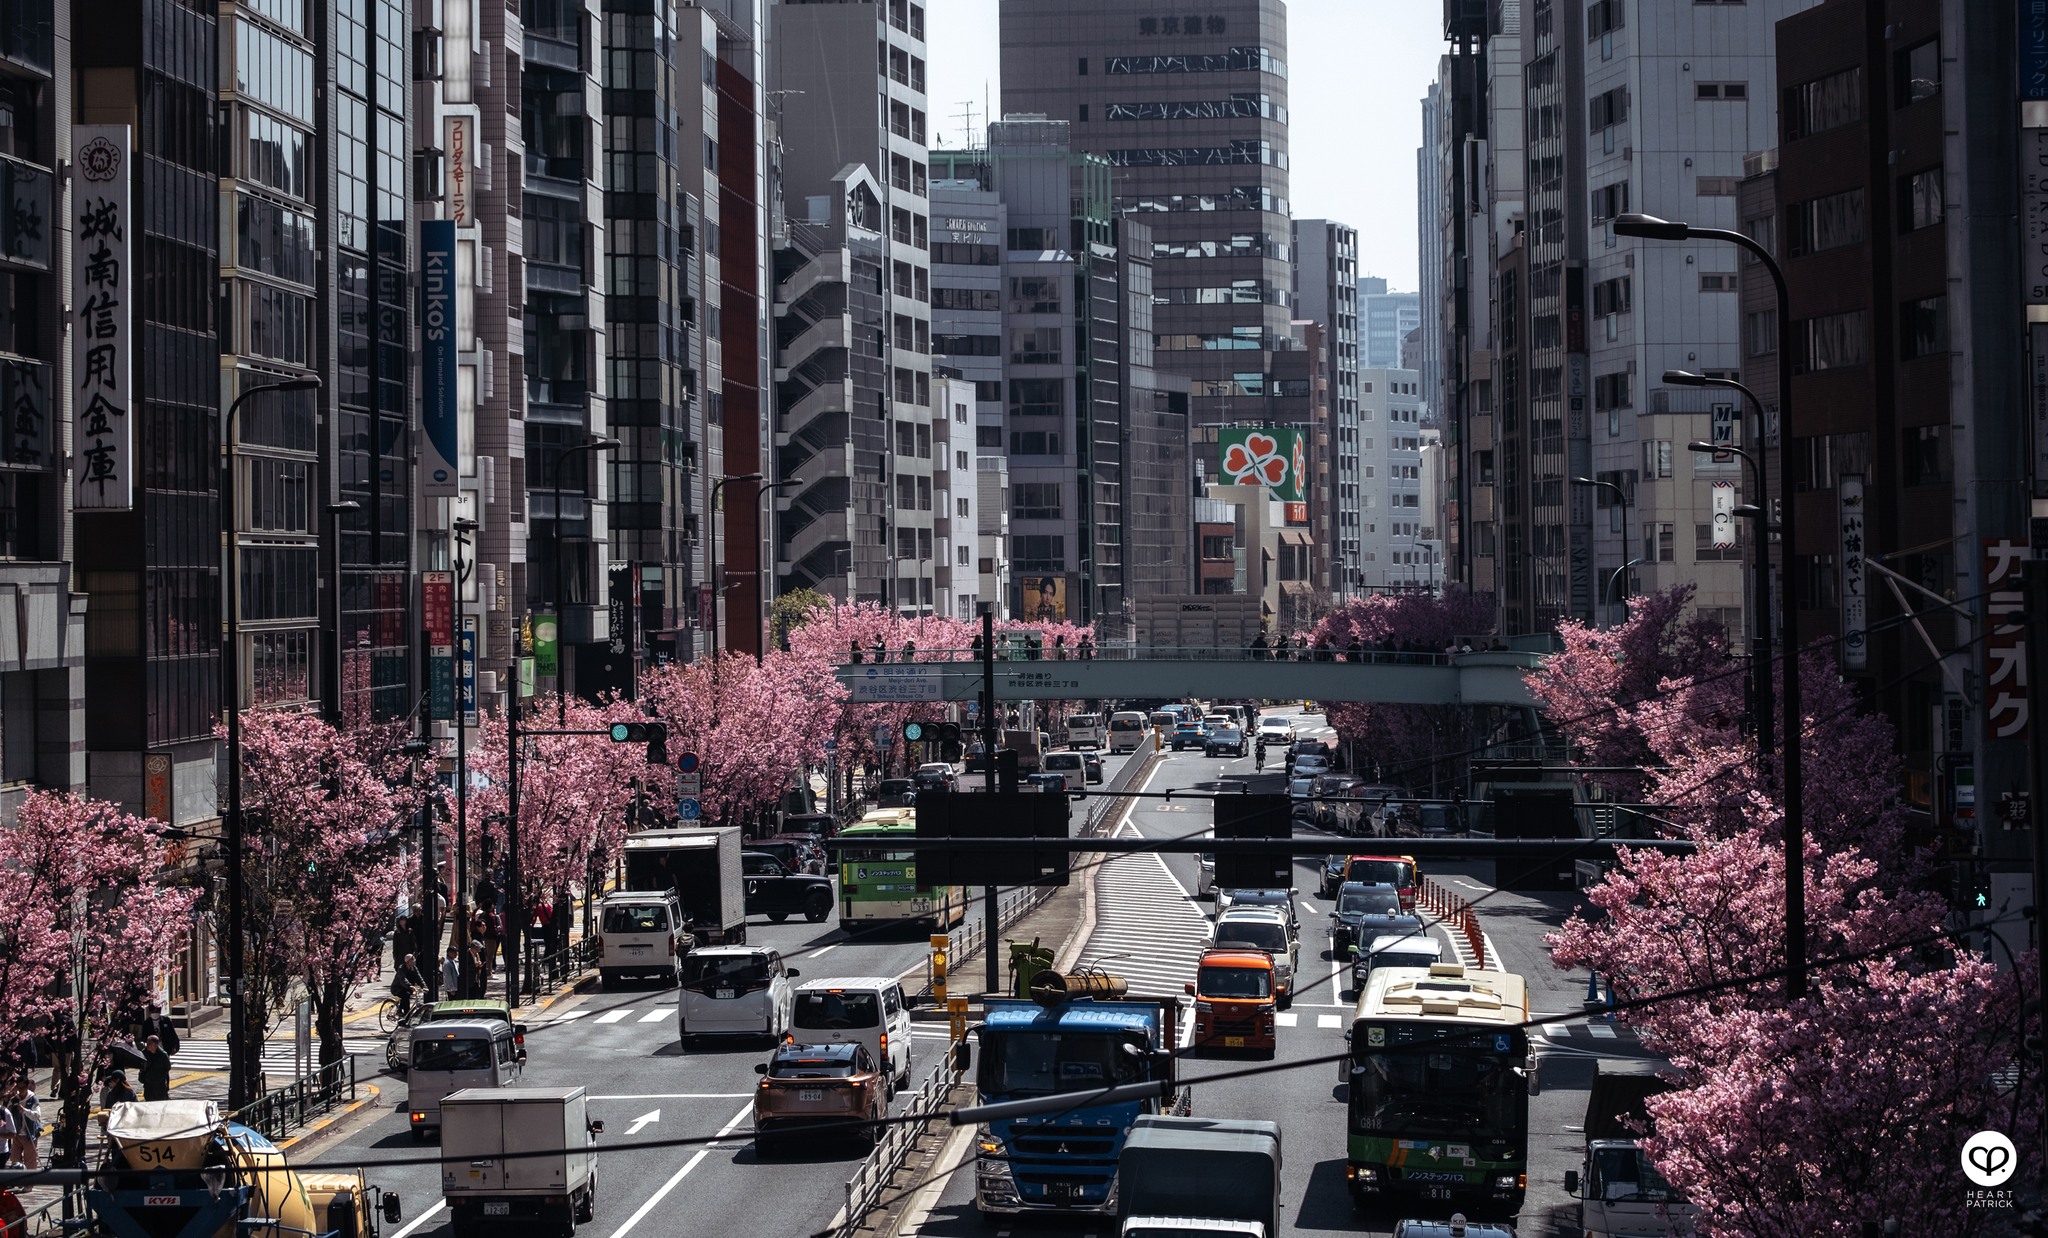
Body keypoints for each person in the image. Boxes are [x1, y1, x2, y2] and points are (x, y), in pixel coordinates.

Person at [138, 1037, 172, 1102]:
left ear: (155, 1045)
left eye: (149, 1043)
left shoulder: (163, 1055)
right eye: (147, 1043)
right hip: (148, 1084)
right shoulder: (144, 1053)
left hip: (160, 1085)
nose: (147, 1045)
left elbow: (167, 1067)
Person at [392, 953, 426, 1017]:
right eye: (412, 959)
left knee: (408, 996)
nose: (414, 960)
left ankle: (404, 1013)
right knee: (406, 996)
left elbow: (419, 977)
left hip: (408, 988)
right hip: (398, 988)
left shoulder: (414, 968)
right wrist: (409, 986)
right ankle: (405, 1015)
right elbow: (403, 979)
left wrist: (424, 986)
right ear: (408, 961)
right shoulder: (401, 968)